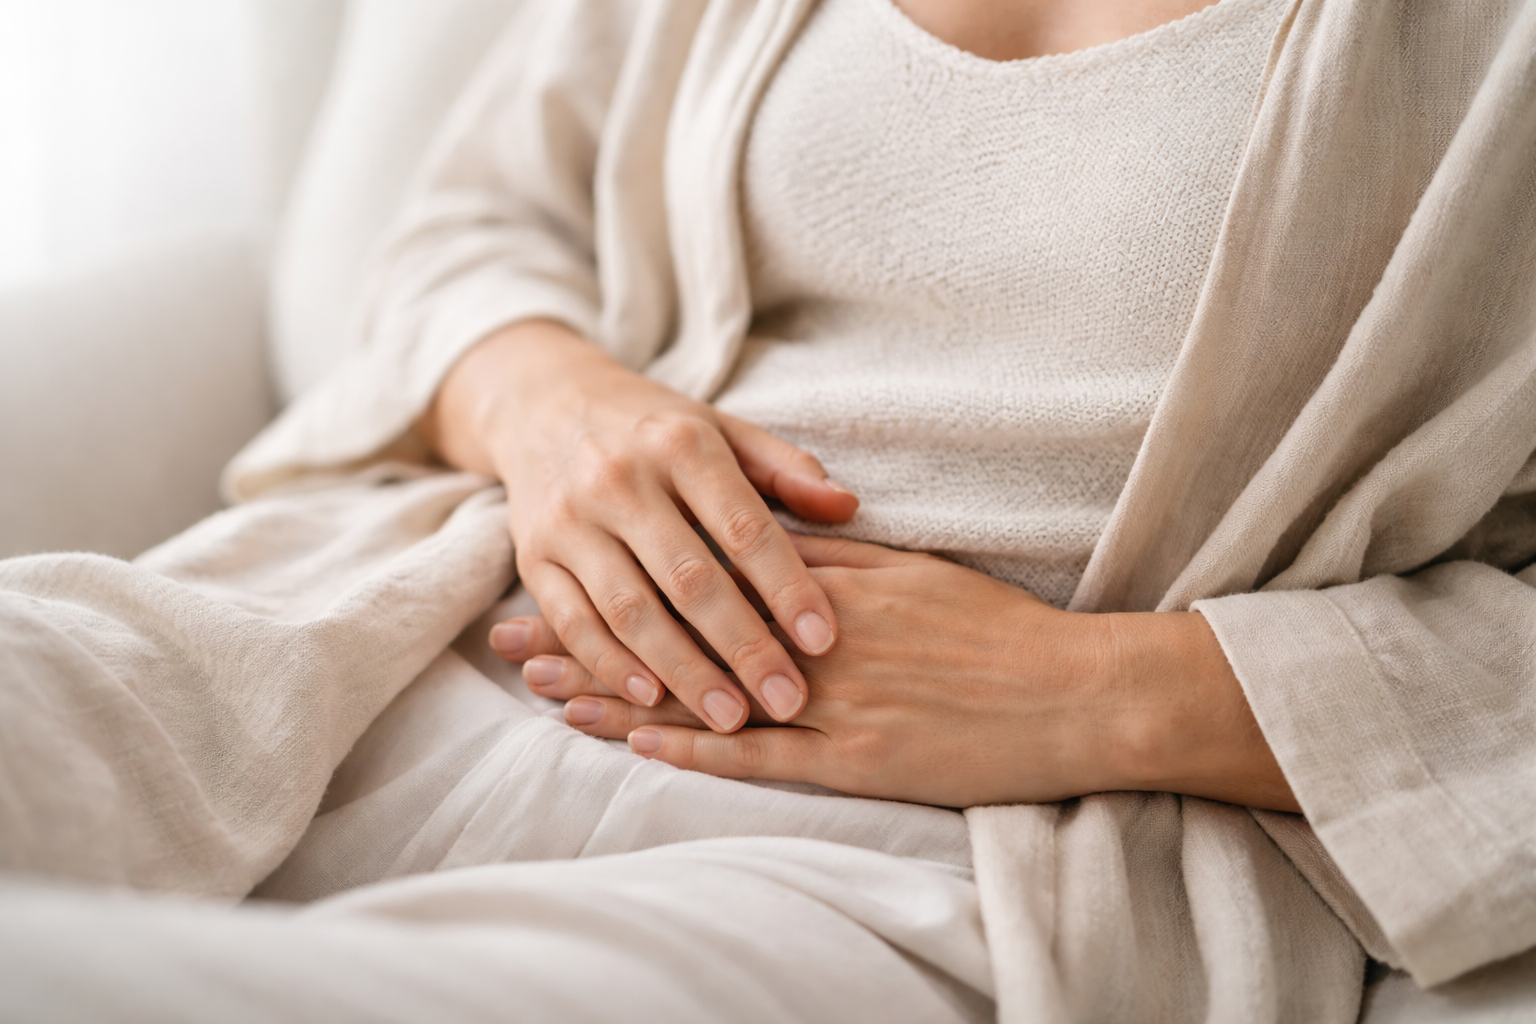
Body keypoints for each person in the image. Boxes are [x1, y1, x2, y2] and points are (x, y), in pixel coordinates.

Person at [4, 0, 1535, 1020]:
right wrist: (547, 403)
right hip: (399, 634)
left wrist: (1107, 695)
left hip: (947, 862)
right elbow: (474, 221)